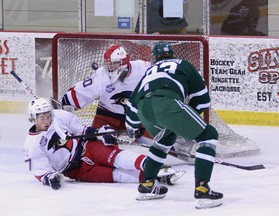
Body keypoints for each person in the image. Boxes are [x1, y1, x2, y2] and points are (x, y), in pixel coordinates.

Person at [125, 42, 223, 209]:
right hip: (166, 102)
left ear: (154, 58)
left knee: (165, 139)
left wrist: (133, 128)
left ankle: (147, 185)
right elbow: (203, 99)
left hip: (144, 109)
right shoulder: (183, 64)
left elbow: (132, 104)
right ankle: (203, 189)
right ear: (173, 54)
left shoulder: (149, 71)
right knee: (209, 135)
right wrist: (185, 119)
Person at [23, 98, 185, 190]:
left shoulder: (59, 117)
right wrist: (50, 178)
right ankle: (155, 178)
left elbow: (79, 128)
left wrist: (99, 133)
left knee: (118, 158)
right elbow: (40, 171)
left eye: (47, 116)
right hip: (76, 171)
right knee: (117, 176)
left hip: (88, 148)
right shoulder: (32, 144)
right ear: (33, 118)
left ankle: (156, 166)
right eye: (41, 118)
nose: (46, 120)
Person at [61, 44, 152, 144]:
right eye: (108, 63)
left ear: (123, 63)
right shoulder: (101, 76)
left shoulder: (143, 68)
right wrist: (65, 103)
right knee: (95, 145)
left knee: (154, 144)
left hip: (140, 115)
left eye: (114, 63)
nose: (110, 67)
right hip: (109, 116)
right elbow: (78, 94)